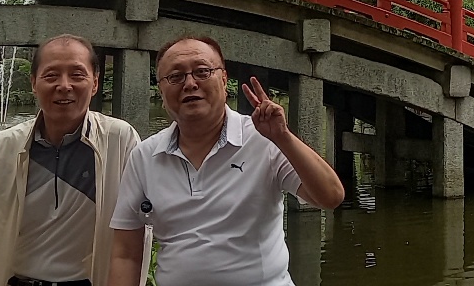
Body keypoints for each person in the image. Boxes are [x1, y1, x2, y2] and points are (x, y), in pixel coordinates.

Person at [106, 36, 345, 286]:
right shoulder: (145, 156)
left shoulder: (263, 139)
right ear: (161, 90)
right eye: (175, 76)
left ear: (223, 79)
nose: (190, 83)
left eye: (202, 72)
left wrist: (283, 137)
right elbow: (126, 254)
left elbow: (331, 197)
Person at [0, 34, 142, 286]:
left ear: (94, 82)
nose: (64, 85)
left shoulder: (119, 140)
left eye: (77, 75)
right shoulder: (0, 148)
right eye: (51, 75)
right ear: (33, 83)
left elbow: (143, 221)